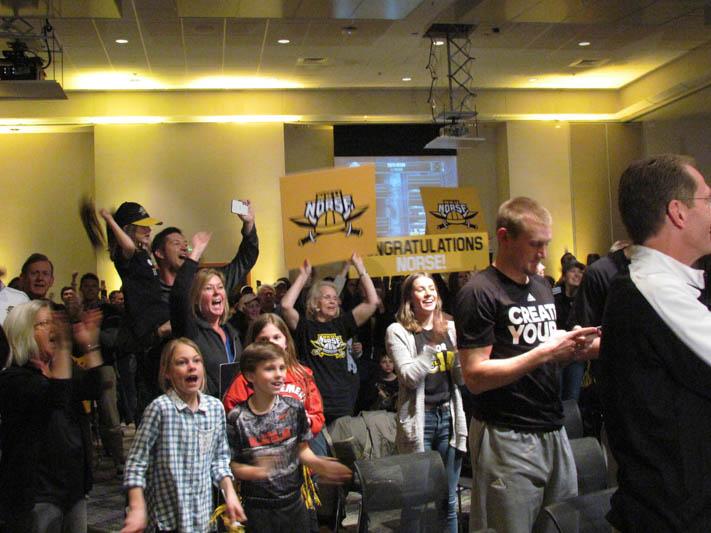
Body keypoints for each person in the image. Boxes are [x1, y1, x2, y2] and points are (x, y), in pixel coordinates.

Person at [454, 196, 598, 533]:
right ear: (504, 237)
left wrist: (570, 345)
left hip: (551, 426)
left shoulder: (541, 286)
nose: (543, 254)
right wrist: (547, 351)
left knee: (561, 523)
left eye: (546, 243)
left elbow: (537, 349)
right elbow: (475, 376)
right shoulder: (480, 292)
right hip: (507, 434)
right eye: (535, 244)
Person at [599, 155, 711, 531]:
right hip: (671, 519)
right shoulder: (651, 288)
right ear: (677, 212)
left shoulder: (665, 285)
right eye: (708, 201)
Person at [0, 301, 104, 532]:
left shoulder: (59, 371)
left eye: (53, 322)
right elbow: (56, 396)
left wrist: (90, 344)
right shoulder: (14, 378)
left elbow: (95, 387)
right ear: (24, 331)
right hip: (38, 493)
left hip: (72, 488)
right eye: (44, 323)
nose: (53, 328)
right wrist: (65, 347)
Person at [226, 342, 351, 533]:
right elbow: (231, 465)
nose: (279, 374)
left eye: (282, 368)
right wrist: (255, 471)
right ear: (250, 376)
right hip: (258, 509)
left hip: (294, 504)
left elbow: (302, 451)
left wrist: (320, 464)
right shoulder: (237, 418)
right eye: (269, 369)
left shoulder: (294, 408)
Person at [122, 338, 245, 533]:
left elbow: (219, 460)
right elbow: (136, 463)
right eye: (182, 362)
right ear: (167, 373)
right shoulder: (160, 409)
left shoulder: (214, 408)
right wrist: (137, 507)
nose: (191, 367)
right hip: (167, 522)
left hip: (202, 522)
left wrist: (230, 493)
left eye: (197, 361)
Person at [385, 272, 467, 533]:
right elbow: (409, 376)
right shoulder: (397, 331)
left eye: (432, 288)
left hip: (449, 417)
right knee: (416, 501)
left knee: (449, 499)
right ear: (410, 297)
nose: (429, 293)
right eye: (421, 289)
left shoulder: (449, 328)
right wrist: (432, 343)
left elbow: (461, 379)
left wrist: (459, 352)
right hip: (420, 422)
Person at [170, 204, 258, 397]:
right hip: (205, 414)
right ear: (196, 298)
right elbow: (178, 295)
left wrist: (249, 224)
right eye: (208, 289)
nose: (217, 292)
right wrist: (195, 253)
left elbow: (246, 259)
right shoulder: (191, 331)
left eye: (220, 287)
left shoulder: (231, 330)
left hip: (235, 410)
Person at [281, 254, 378, 426]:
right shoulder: (306, 328)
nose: (333, 301)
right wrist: (303, 276)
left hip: (343, 402)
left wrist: (361, 269)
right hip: (315, 403)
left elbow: (372, 302)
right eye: (327, 297)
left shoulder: (342, 325)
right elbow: (286, 306)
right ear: (315, 304)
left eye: (335, 298)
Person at [223, 313, 325, 446]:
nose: (272, 343)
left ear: (286, 341)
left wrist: (308, 421)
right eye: (264, 340)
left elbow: (317, 415)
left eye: (276, 337)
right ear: (254, 344)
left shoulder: (302, 374)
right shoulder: (244, 380)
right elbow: (233, 424)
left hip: (299, 448)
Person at [554, 258, 586, 401]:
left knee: (572, 396)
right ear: (565, 275)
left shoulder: (584, 297)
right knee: (556, 395)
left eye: (580, 272)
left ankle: (572, 423)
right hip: (556, 352)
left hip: (575, 354)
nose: (577, 275)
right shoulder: (554, 294)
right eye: (573, 271)